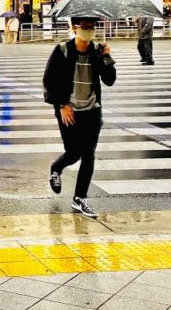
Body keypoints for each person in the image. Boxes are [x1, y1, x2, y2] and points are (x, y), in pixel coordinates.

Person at [43, 17, 117, 219]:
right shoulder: (63, 50)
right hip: (69, 110)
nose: (88, 31)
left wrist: (107, 58)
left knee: (89, 154)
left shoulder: (97, 50)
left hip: (92, 110)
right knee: (73, 152)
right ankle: (56, 167)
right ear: (74, 28)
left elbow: (109, 80)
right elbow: (49, 81)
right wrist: (62, 105)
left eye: (91, 27)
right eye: (84, 27)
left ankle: (80, 198)